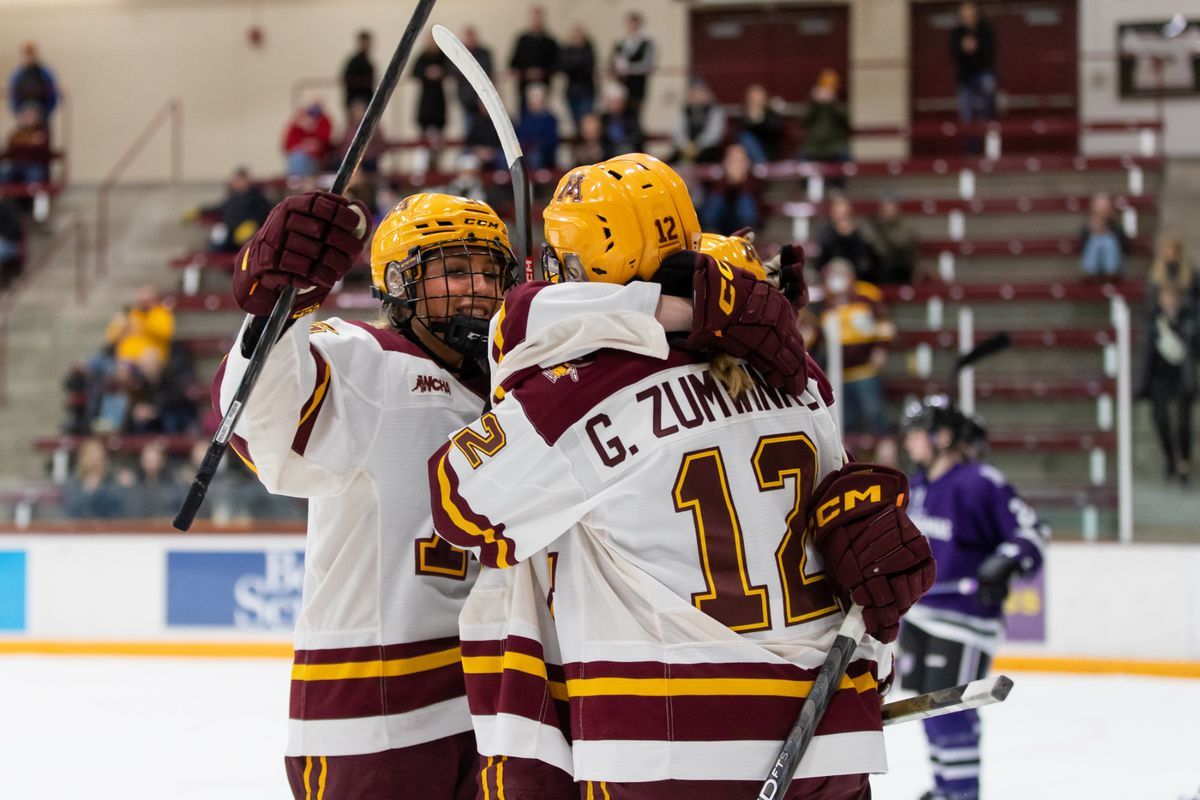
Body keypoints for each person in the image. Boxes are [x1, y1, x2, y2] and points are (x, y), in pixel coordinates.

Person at [429, 153, 935, 797]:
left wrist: (523, 352)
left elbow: (460, 508)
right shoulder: (798, 378)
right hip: (830, 741)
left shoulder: (583, 389)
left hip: (667, 745)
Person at [215, 190, 519, 799]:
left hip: (488, 711)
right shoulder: (369, 362)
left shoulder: (515, 389)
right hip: (376, 726)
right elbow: (262, 428)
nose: (480, 289)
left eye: (491, 271)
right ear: (400, 284)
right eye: (455, 270)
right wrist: (276, 314)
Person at [899, 396, 1048, 800]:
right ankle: (946, 789)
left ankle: (962, 794)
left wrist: (1004, 563)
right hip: (920, 617)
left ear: (942, 437)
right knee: (927, 713)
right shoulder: (918, 487)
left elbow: (1032, 533)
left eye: (916, 432)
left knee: (952, 717)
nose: (909, 442)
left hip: (964, 621)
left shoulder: (980, 482)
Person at [812, 259, 893, 436]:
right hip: (838, 374)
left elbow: (884, 322)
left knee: (874, 415)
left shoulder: (867, 294)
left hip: (866, 371)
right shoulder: (825, 301)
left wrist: (881, 348)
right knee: (844, 422)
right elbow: (817, 335)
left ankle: (884, 453)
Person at [1137, 283, 1198, 485]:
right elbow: (1147, 356)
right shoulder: (1153, 322)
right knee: (1160, 419)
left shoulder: (1188, 321)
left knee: (1183, 423)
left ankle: (1184, 463)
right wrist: (1142, 385)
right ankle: (1171, 458)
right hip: (1160, 378)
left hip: (1182, 377)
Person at [198, 166, 272, 254]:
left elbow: (264, 213)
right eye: (235, 180)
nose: (236, 183)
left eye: (239, 180)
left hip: (248, 236)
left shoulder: (257, 198)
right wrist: (201, 211)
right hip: (230, 233)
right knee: (216, 240)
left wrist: (253, 224)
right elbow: (220, 208)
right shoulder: (232, 198)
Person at [698, 142, 760, 235]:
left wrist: (740, 181)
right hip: (720, 222)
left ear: (747, 163)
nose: (736, 165)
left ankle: (743, 240)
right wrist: (729, 180)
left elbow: (750, 215)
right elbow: (708, 215)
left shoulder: (752, 180)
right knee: (715, 203)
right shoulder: (717, 181)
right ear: (724, 162)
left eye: (740, 161)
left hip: (740, 223)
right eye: (732, 161)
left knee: (745, 203)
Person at [104, 286, 175, 367]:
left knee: (146, 359)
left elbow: (165, 333)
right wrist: (121, 325)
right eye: (142, 301)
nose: (144, 304)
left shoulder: (161, 314)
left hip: (150, 358)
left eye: (148, 301)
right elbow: (111, 337)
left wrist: (144, 323)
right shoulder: (132, 314)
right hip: (125, 357)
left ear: (155, 300)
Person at [950, 2, 997, 125]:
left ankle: (988, 121)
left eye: (970, 10)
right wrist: (963, 48)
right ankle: (969, 140)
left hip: (983, 71)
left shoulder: (985, 28)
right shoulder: (957, 31)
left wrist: (976, 47)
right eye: (964, 11)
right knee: (966, 113)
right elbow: (953, 53)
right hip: (965, 75)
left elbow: (990, 50)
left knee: (988, 87)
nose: (967, 13)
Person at [863, 193, 920, 285]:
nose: (888, 210)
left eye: (891, 207)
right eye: (885, 207)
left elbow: (896, 247)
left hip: (901, 269)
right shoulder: (874, 224)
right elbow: (877, 248)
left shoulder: (906, 228)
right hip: (880, 270)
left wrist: (881, 231)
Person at [509, 6, 558, 114]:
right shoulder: (522, 40)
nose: (536, 21)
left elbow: (557, 63)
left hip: (544, 86)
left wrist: (542, 72)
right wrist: (526, 72)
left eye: (538, 18)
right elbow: (513, 63)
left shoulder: (550, 41)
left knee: (542, 115)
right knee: (524, 117)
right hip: (524, 86)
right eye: (534, 18)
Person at [412, 36, 449, 172]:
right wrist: (426, 73)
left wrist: (441, 72)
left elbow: (450, 69)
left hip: (439, 105)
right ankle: (421, 172)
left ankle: (437, 170)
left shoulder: (443, 56)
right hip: (426, 105)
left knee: (438, 144)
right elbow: (414, 71)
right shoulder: (423, 56)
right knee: (423, 143)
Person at [611, 12, 655, 126]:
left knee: (635, 115)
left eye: (635, 24)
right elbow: (613, 60)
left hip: (637, 86)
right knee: (620, 115)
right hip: (621, 84)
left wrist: (628, 68)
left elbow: (647, 66)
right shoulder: (621, 42)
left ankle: (634, 141)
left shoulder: (647, 43)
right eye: (630, 24)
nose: (632, 27)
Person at [64, 438, 126, 519]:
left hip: (109, 528)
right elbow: (70, 512)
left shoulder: (114, 481)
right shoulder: (73, 482)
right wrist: (86, 491)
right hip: (79, 529)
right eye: (90, 456)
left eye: (98, 456)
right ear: (82, 458)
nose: (94, 460)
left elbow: (118, 511)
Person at [670, 79, 726, 165]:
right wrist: (685, 146)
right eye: (694, 93)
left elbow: (713, 135)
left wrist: (697, 146)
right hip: (685, 150)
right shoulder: (684, 111)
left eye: (700, 93)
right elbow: (678, 132)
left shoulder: (715, 111)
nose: (697, 97)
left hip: (707, 150)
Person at [815, 195, 873, 277]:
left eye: (844, 213)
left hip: (855, 277)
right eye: (838, 212)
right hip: (831, 277)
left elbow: (862, 259)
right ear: (832, 214)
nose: (841, 216)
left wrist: (851, 235)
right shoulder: (826, 232)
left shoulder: (858, 233)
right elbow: (822, 259)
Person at [451, 27, 493, 137]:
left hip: (484, 99)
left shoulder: (484, 53)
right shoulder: (458, 54)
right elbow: (453, 71)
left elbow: (487, 72)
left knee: (487, 132)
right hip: (467, 101)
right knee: (468, 132)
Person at [802, 69, 850, 164]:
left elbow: (845, 121)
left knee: (847, 164)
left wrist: (832, 102)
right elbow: (804, 122)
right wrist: (815, 103)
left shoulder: (841, 101)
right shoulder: (814, 104)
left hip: (835, 146)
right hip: (813, 147)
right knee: (800, 162)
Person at [1079, 192, 1129, 279]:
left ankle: (1111, 272)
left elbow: (1125, 245)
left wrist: (1106, 230)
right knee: (1095, 240)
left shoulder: (1115, 226)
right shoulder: (1087, 227)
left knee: (1108, 240)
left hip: (1115, 263)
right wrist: (1092, 232)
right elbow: (1081, 245)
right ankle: (1091, 272)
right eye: (1099, 206)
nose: (1101, 210)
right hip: (1093, 263)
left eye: (1104, 206)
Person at [1, 103, 52, 186]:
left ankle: (35, 197)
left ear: (37, 118)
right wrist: (31, 142)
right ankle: (5, 197)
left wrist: (24, 143)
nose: (27, 118)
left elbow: (41, 152)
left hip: (34, 165)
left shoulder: (42, 132)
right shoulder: (17, 133)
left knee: (35, 174)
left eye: (30, 116)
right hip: (16, 165)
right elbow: (12, 149)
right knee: (4, 172)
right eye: (25, 115)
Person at [557, 25, 596, 131]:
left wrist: (574, 65)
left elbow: (587, 66)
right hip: (572, 91)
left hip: (586, 90)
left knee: (586, 121)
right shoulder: (567, 50)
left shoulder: (589, 50)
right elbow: (563, 66)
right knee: (575, 122)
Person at [515, 82, 560, 171]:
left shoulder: (550, 118)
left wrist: (535, 144)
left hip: (542, 152)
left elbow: (551, 139)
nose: (534, 100)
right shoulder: (523, 117)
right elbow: (519, 135)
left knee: (535, 156)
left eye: (537, 97)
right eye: (532, 97)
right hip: (524, 149)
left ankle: (536, 183)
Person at [282, 102, 333, 178]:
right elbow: (287, 147)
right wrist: (299, 127)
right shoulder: (296, 126)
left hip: (316, 162)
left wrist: (313, 128)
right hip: (299, 162)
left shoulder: (323, 123)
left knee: (299, 158)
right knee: (297, 157)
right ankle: (295, 182)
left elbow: (319, 146)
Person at [8, 42, 58, 120]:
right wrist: (18, 112)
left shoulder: (45, 73)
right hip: (23, 113)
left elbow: (52, 95)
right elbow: (14, 96)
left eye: (31, 54)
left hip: (42, 113)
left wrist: (46, 112)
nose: (29, 57)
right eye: (27, 54)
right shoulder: (18, 75)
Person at [1148, 235, 1199, 307]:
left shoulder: (1190, 272)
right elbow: (1152, 296)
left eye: (1172, 250)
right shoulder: (1157, 272)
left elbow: (1194, 296)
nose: (1169, 254)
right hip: (1162, 310)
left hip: (1184, 309)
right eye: (1167, 250)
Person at [739, 83, 785, 164]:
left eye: (759, 98)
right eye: (753, 98)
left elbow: (774, 131)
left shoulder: (771, 114)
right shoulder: (744, 116)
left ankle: (761, 165)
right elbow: (741, 135)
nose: (756, 101)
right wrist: (751, 120)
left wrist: (759, 119)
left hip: (768, 154)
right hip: (747, 158)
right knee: (745, 137)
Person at [341, 30, 375, 112]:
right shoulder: (355, 62)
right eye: (366, 42)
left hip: (366, 100)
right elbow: (347, 79)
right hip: (357, 100)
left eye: (369, 42)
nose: (368, 45)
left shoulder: (368, 61)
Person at [0, 197, 21, 290]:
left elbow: (14, 229)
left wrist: (3, 237)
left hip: (9, 243)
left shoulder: (9, 208)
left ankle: (5, 280)